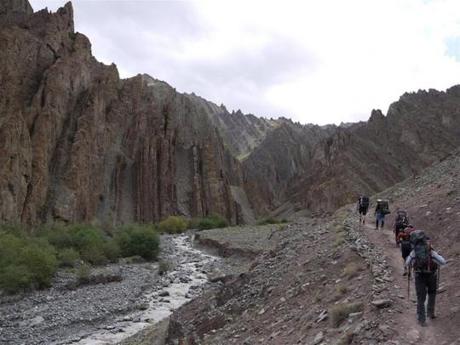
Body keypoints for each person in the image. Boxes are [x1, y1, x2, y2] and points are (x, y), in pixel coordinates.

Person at [405, 230, 446, 327]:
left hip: (419, 276)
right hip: (431, 275)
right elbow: (443, 262)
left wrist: (413, 264)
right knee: (432, 293)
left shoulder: (414, 251)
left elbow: (407, 263)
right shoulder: (430, 250)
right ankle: (430, 313)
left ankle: (421, 319)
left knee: (420, 298)